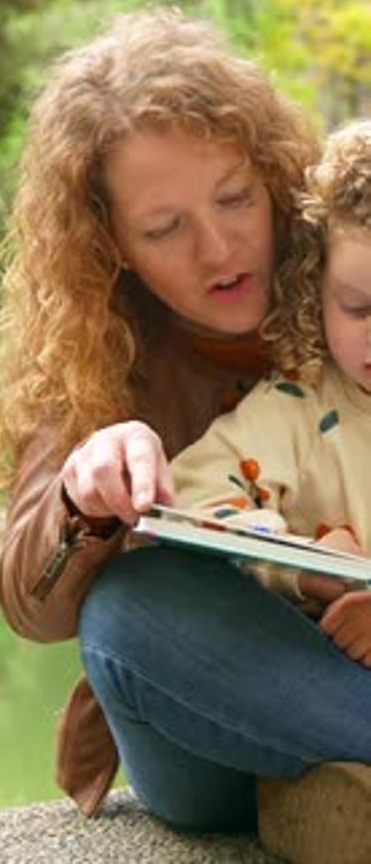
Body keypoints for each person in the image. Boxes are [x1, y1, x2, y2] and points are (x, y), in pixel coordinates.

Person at [0, 6, 371, 864]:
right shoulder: (93, 351)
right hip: (214, 721)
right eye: (165, 229)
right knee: (126, 610)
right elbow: (28, 604)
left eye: (236, 198)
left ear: (272, 177)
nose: (220, 245)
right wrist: (85, 501)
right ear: (110, 244)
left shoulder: (353, 266)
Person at [172, 118, 371, 651]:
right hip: (321, 690)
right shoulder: (297, 404)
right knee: (131, 603)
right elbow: (193, 496)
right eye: (359, 309)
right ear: (315, 294)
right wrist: (305, 565)